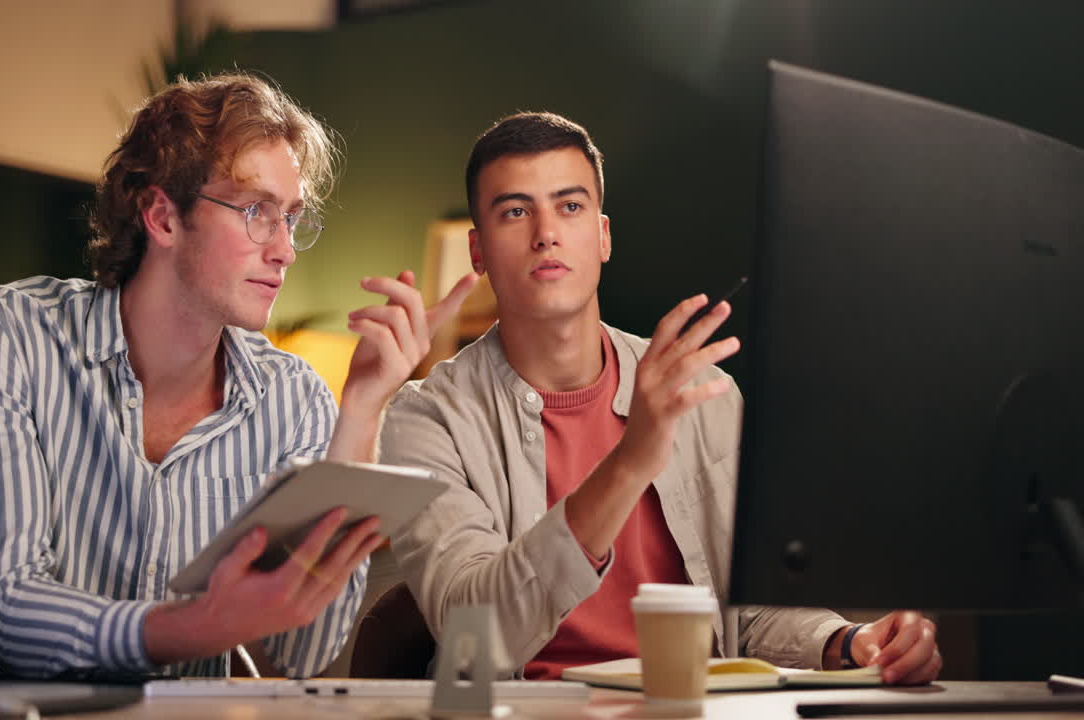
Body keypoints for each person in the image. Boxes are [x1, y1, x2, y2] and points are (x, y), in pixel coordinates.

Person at [0, 72, 477, 678]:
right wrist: (198, 626)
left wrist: (362, 410)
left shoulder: (294, 398)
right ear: (162, 216)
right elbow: (1, 606)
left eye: (292, 218)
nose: (285, 250)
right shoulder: (5, 334)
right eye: (256, 211)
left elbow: (303, 654)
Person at [380, 112, 942, 685]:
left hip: (693, 703)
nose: (545, 233)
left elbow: (750, 617)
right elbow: (473, 634)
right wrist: (630, 462)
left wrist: (850, 643)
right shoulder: (427, 418)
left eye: (569, 206)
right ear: (478, 251)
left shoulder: (702, 394)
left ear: (603, 236)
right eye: (516, 212)